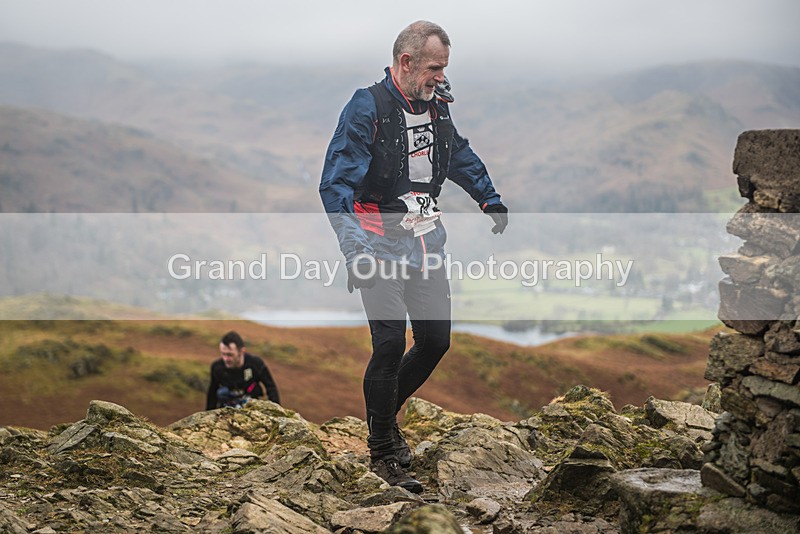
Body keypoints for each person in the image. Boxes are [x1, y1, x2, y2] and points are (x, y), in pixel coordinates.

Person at [319, 20, 508, 493]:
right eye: (433, 68)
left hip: (426, 241)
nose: (440, 77)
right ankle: (382, 451)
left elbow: (457, 153)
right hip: (374, 241)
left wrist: (487, 197)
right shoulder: (368, 107)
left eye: (443, 69)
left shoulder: (438, 106)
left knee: (435, 341)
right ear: (406, 63)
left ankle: (382, 420)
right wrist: (354, 249)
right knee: (387, 345)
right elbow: (335, 184)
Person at [206, 331, 280, 410]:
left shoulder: (255, 364)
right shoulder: (217, 367)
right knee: (221, 392)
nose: (225, 359)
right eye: (223, 354)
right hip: (227, 407)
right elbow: (212, 393)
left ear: (241, 352)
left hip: (251, 406)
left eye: (230, 355)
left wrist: (276, 412)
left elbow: (271, 388)